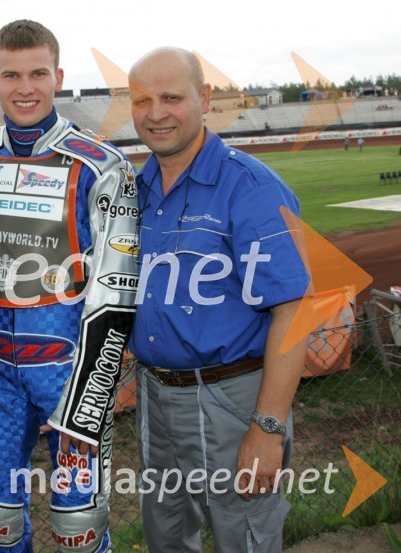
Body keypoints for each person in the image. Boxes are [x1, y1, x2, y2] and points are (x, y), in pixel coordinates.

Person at [0, 20, 138, 553]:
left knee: (78, 526)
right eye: (12, 75)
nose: (25, 87)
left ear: (58, 76)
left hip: (73, 372)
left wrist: (94, 386)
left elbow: (118, 288)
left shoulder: (102, 164)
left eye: (37, 73)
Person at [127, 47, 310, 552]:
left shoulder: (248, 186)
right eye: (142, 99)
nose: (156, 112)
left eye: (171, 97)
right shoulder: (136, 191)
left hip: (231, 397)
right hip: (156, 396)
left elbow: (295, 311)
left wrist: (267, 428)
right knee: (164, 533)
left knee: (243, 536)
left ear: (204, 98)